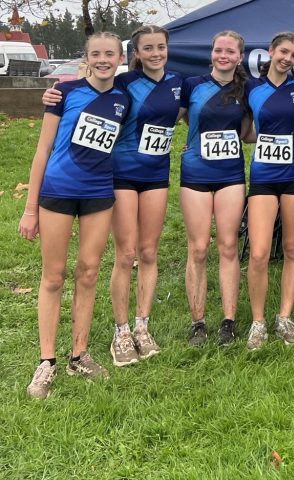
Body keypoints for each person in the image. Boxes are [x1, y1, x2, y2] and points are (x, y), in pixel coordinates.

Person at [43, 24, 184, 366]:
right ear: (134, 54)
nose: (155, 53)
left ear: (168, 49)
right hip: (120, 174)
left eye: (161, 47)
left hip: (156, 175)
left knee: (149, 251)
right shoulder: (123, 83)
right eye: (148, 48)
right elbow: (91, 86)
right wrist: (54, 94)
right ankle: (121, 331)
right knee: (127, 253)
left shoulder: (181, 83)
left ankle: (142, 326)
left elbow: (206, 103)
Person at [20, 32, 131, 399]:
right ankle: (46, 361)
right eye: (96, 54)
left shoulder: (124, 98)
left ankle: (79, 355)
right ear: (87, 58)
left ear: (119, 58)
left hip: (99, 193)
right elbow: (43, 150)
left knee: (88, 272)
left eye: (110, 54)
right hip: (58, 191)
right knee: (53, 276)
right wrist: (30, 208)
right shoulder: (64, 93)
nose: (103, 60)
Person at [180, 30, 251, 348]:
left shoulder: (246, 89)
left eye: (230, 51)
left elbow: (247, 134)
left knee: (228, 246)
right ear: (211, 53)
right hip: (195, 172)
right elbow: (178, 118)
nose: (224, 56)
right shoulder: (192, 85)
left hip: (230, 175)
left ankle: (228, 321)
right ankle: (198, 322)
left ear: (239, 56)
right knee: (197, 248)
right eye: (219, 50)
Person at [243, 32, 294, 350]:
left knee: (293, 248)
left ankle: (284, 316)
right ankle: (258, 322)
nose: (288, 58)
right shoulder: (251, 87)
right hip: (264, 175)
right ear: (271, 51)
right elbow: (245, 132)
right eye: (284, 52)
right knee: (259, 252)